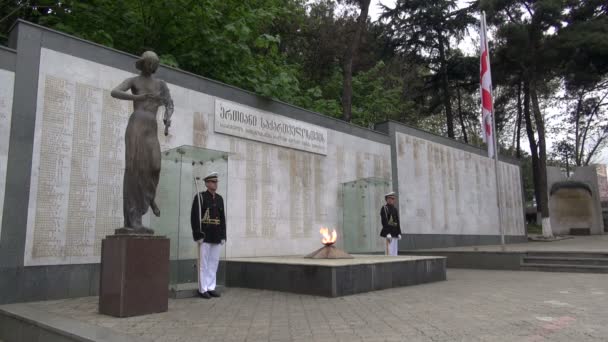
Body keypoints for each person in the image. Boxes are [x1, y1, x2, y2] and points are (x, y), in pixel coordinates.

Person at [111, 51, 174, 234]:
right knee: (134, 169)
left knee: (155, 166)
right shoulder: (134, 81)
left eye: (155, 64)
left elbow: (169, 103)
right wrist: (136, 98)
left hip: (151, 127)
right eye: (149, 63)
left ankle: (150, 197)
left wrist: (167, 118)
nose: (152, 67)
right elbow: (114, 92)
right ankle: (133, 219)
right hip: (136, 124)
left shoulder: (161, 84)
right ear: (144, 63)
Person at [190, 172, 226, 299]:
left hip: (216, 234)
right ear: (206, 183)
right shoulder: (200, 197)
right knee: (203, 263)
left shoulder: (220, 198)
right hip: (205, 234)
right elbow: (195, 218)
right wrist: (197, 234)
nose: (215, 184)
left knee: (213, 262)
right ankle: (203, 288)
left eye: (216, 182)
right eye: (213, 182)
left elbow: (222, 219)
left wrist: (223, 235)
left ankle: (211, 287)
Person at [380, 191, 401, 256]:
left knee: (395, 252)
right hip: (389, 234)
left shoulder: (395, 209)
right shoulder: (384, 208)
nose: (393, 200)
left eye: (393, 198)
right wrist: (387, 233)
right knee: (389, 253)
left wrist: (399, 232)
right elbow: (384, 221)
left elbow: (397, 222)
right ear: (387, 199)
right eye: (391, 198)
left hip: (395, 233)